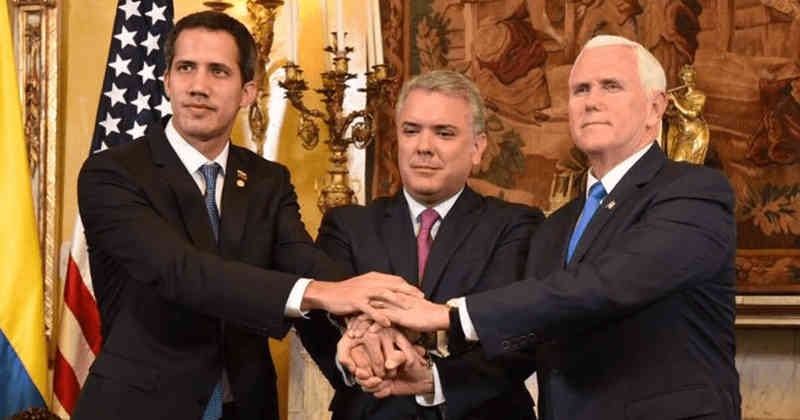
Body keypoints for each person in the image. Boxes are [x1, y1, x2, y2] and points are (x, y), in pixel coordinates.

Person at [370, 35, 742, 419]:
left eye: (610, 86)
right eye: (580, 89)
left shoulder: (695, 192)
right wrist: (434, 379)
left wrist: (451, 315)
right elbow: (528, 337)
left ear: (656, 107)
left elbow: (609, 283)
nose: (591, 100)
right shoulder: (556, 226)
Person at [72, 11, 419, 420]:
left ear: (248, 91)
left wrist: (367, 321)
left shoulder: (265, 180)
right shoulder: (112, 173)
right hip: (138, 407)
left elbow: (302, 261)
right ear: (166, 81)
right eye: (186, 68)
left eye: (218, 71)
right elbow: (180, 271)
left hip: (247, 408)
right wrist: (325, 293)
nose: (199, 86)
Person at [317, 70, 544, 419]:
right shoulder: (348, 226)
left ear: (477, 147)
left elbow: (517, 330)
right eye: (411, 130)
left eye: (444, 133)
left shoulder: (515, 226)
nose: (424, 146)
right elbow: (320, 326)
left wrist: (434, 379)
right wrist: (366, 359)